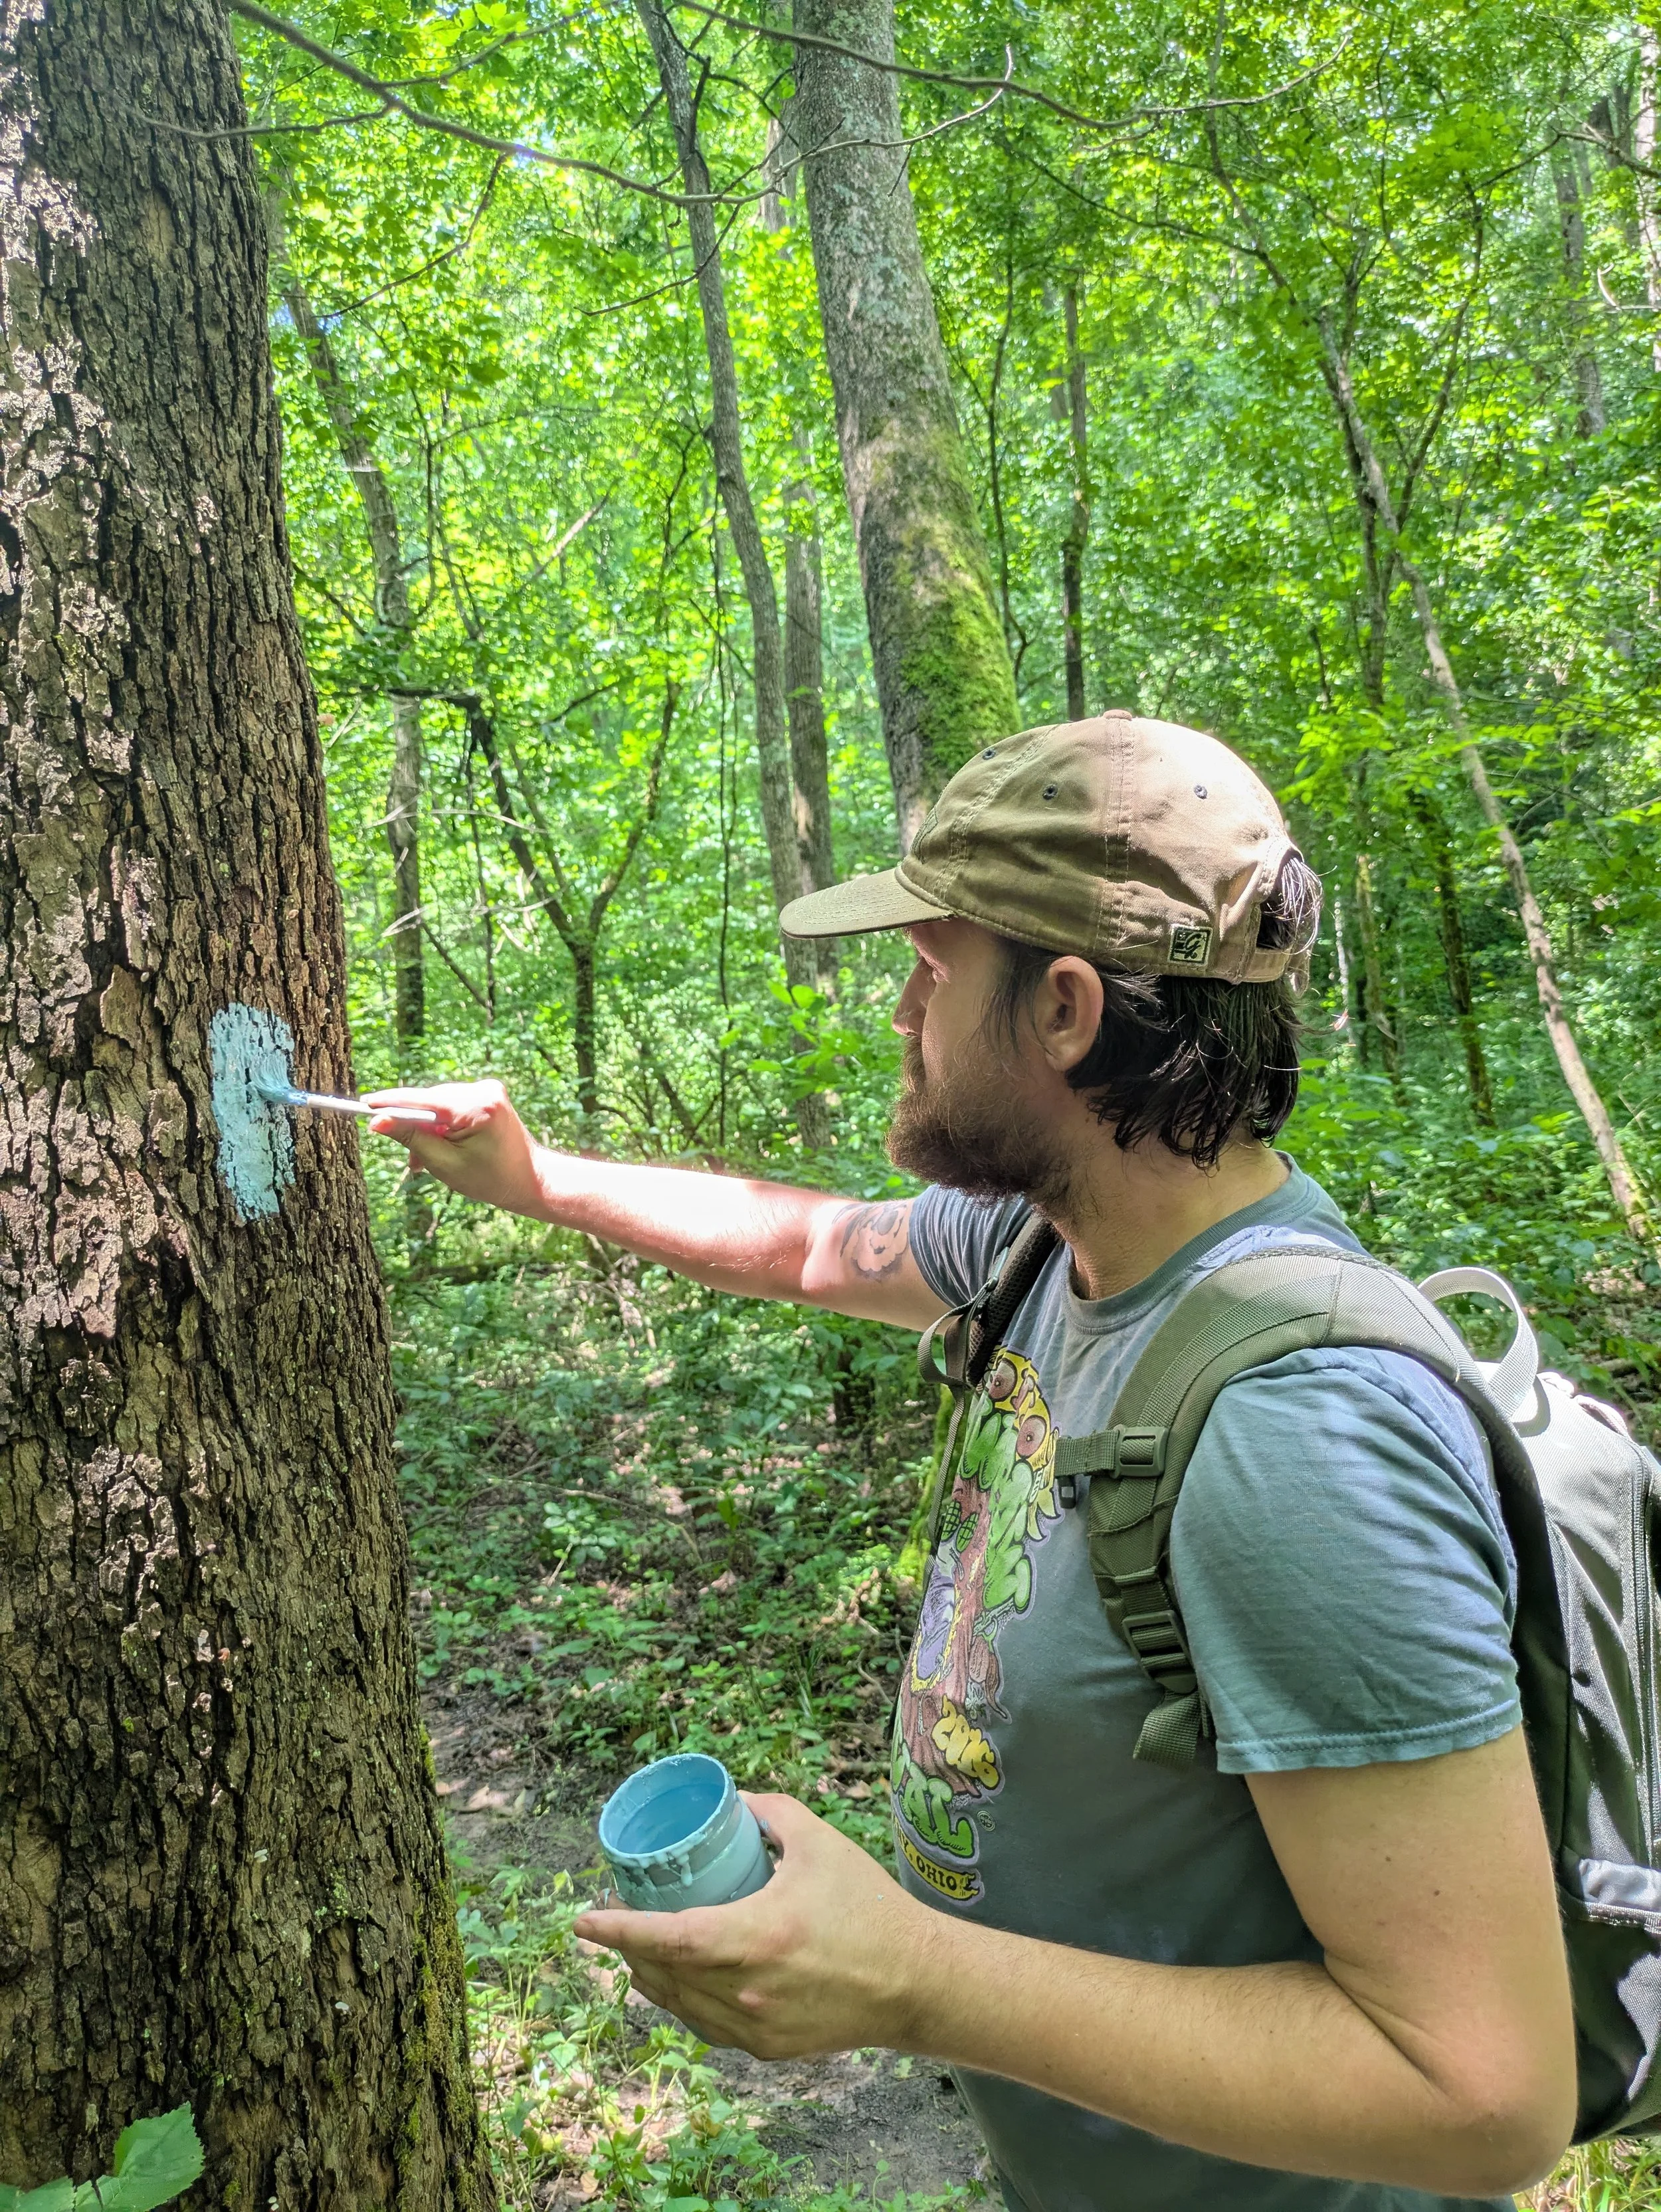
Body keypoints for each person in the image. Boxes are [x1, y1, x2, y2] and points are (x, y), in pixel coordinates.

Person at [367, 712, 1575, 2212]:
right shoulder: (1044, 1243)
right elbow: (813, 1242)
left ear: (1062, 1008)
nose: (899, 1010)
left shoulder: (1292, 1427)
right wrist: (541, 1182)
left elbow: (1480, 2091)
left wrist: (917, 1979)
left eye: (932, 968)